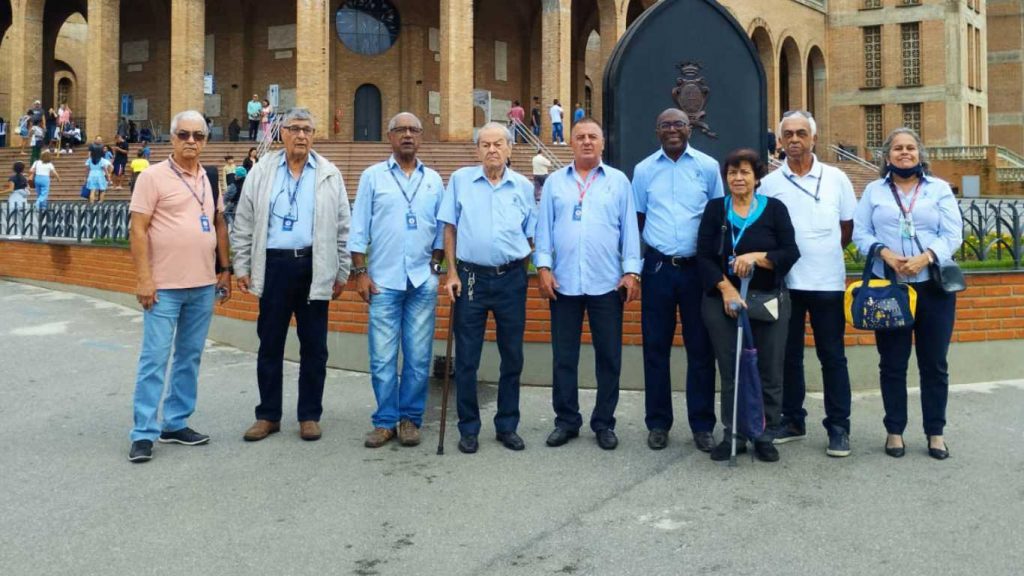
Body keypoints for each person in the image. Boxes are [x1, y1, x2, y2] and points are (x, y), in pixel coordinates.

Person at [232, 107, 351, 443]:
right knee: (270, 343)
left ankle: (309, 415)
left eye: (308, 130)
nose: (301, 135)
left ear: (314, 135)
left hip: (314, 265)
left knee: (315, 347)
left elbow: (343, 226)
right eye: (295, 128)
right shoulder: (262, 170)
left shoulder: (329, 173)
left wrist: (342, 270)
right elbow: (244, 219)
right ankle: (268, 415)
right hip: (274, 266)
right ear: (281, 132)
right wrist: (241, 265)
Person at [126, 110, 232, 463]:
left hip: (202, 284)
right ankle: (143, 432)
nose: (191, 141)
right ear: (171, 139)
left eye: (198, 136)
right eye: (184, 135)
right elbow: (138, 229)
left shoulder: (208, 177)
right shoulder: (153, 177)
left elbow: (218, 223)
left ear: (205, 140)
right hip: (164, 287)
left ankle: (175, 421)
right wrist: (144, 277)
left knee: (189, 356)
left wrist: (225, 269)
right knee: (154, 359)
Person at [852, 127, 962, 461]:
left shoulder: (939, 189)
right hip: (891, 288)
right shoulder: (874, 191)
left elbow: (953, 233)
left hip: (933, 288)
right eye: (897, 148)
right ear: (887, 156)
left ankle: (935, 433)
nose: (904, 153)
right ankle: (895, 430)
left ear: (919, 154)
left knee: (934, 364)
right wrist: (883, 253)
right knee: (893, 364)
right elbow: (860, 232)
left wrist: (926, 257)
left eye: (910, 148)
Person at [534, 118, 641, 451]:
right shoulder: (554, 183)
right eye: (580, 137)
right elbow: (544, 229)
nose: (586, 142)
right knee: (564, 357)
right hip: (563, 283)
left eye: (592, 136)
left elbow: (630, 231)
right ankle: (566, 421)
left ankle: (604, 423)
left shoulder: (619, 182)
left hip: (607, 283)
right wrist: (543, 267)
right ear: (571, 143)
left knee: (608, 357)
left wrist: (631, 272)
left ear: (602, 143)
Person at [760, 110, 856, 457]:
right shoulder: (770, 184)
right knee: (788, 356)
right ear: (781, 141)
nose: (795, 139)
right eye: (788, 134)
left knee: (833, 357)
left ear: (813, 138)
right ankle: (793, 419)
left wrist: (823, 250)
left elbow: (847, 228)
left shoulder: (836, 178)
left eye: (801, 133)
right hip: (787, 283)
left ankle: (839, 426)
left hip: (827, 282)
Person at [439, 122, 537, 454]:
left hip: (511, 279)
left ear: (510, 149)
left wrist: (518, 271)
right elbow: (449, 229)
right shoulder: (460, 181)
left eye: (498, 144)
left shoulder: (523, 186)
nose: (492, 149)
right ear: (477, 149)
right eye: (485, 144)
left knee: (513, 356)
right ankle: (468, 428)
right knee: (467, 358)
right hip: (470, 279)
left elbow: (531, 235)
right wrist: (451, 272)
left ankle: (507, 425)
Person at [697, 148, 800, 462]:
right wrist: (726, 289)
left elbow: (790, 251)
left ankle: (764, 434)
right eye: (732, 173)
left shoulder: (774, 210)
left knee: (769, 370)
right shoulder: (716, 209)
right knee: (731, 372)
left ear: (757, 178)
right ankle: (734, 435)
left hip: (768, 300)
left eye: (744, 172)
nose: (737, 178)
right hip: (723, 302)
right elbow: (703, 256)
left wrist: (758, 258)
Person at [349, 112, 445, 449]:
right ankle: (386, 420)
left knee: (419, 358)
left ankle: (410, 420)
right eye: (400, 130)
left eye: (413, 130)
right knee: (382, 358)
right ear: (389, 137)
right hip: (383, 281)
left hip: (421, 281)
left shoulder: (433, 179)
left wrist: (436, 263)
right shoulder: (372, 177)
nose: (407, 135)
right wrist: (360, 272)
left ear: (421, 137)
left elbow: (441, 228)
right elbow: (358, 227)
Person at [632, 108, 722, 453]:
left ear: (690, 129)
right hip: (658, 270)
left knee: (701, 349)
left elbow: (716, 221)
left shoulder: (707, 167)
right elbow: (637, 220)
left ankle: (702, 425)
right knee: (656, 348)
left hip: (696, 271)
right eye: (666, 124)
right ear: (657, 131)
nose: (673, 129)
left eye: (679, 124)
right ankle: (658, 422)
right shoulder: (643, 171)